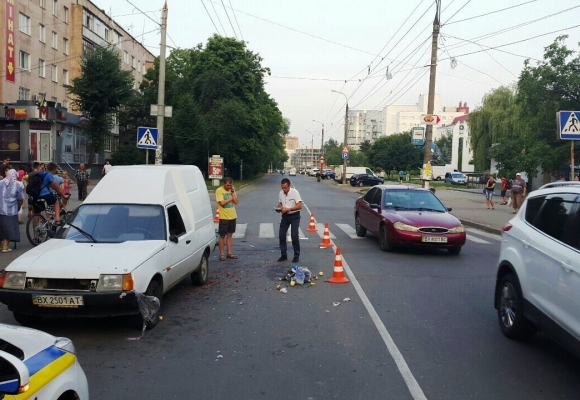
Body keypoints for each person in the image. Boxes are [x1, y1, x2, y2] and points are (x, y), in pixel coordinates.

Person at [277, 178, 303, 263]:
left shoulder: (295, 192)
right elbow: (280, 203)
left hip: (295, 215)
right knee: (281, 235)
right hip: (285, 216)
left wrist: (289, 209)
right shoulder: (281, 193)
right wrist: (279, 208)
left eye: (285, 188)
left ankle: (296, 255)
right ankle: (283, 254)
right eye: (282, 188)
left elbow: (299, 206)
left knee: (294, 235)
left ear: (289, 186)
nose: (284, 190)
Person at [0, 169, 25, 252]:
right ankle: (5, 247)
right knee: (9, 229)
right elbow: (21, 199)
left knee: (1, 228)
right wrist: (18, 207)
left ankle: (0, 246)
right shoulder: (17, 185)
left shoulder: (0, 183)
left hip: (0, 210)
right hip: (11, 211)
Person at [215, 177, 239, 261]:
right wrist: (231, 198)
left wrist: (233, 192)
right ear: (224, 184)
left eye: (230, 185)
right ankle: (222, 254)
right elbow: (222, 203)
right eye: (228, 185)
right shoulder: (219, 190)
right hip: (224, 217)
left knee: (230, 235)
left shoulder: (231, 190)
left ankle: (229, 253)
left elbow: (236, 202)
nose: (229, 187)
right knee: (222, 235)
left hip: (232, 215)